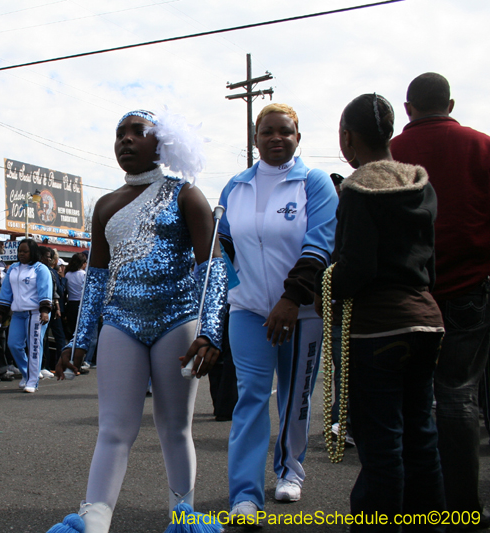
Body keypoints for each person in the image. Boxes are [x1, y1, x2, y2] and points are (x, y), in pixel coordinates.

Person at [47, 109, 228, 533]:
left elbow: (212, 267)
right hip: (120, 324)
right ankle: (93, 522)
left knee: (174, 428)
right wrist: (79, 339)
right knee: (113, 428)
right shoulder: (105, 205)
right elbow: (95, 278)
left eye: (137, 132)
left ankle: (183, 519)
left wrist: (210, 330)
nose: (125, 140)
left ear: (161, 143)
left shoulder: (186, 195)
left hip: (176, 321)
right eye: (119, 134)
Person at [317, 93, 446, 530]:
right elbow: (430, 263)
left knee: (381, 443)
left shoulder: (357, 190)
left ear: (348, 138)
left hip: (377, 331)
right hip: (427, 322)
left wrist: (330, 286)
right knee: (421, 434)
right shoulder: (420, 184)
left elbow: (357, 268)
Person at [218, 103, 337, 520]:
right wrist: (235, 290)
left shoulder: (315, 183)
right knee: (250, 397)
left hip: (301, 312)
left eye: (285, 131)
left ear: (298, 137)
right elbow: (224, 248)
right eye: (267, 132)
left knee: (295, 397)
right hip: (248, 311)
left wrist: (291, 299)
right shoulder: (235, 186)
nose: (276, 138)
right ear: (255, 138)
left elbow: (319, 244)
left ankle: (291, 471)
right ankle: (245, 496)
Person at [390, 73, 490, 528]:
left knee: (410, 398)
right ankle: (465, 507)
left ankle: (418, 503)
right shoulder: (480, 146)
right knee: (458, 396)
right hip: (470, 288)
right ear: (449, 104)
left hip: (409, 296)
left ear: (408, 108)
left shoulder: (390, 154)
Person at [0, 238, 52, 393]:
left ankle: (32, 382)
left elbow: (45, 291)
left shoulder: (40, 269)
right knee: (13, 344)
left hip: (36, 313)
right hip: (18, 314)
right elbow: (6, 291)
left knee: (34, 347)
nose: (21, 254)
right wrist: (1, 311)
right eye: (19, 251)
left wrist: (45, 311)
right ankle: (28, 374)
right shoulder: (13, 269)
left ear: (32, 252)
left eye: (25, 251)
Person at [63, 253, 87, 341]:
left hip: (71, 304)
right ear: (82, 263)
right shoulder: (84, 274)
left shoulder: (68, 274)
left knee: (73, 331)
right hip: (81, 304)